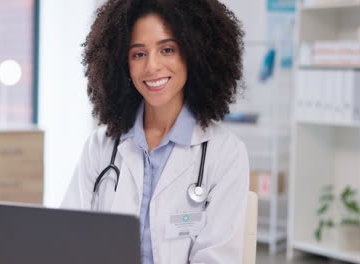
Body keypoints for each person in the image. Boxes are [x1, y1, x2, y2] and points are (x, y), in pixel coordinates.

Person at [61, 0, 249, 263]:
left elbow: (215, 257)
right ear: (121, 62)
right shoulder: (100, 147)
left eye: (167, 50)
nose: (152, 67)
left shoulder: (225, 153)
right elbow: (69, 239)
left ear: (195, 52)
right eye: (138, 54)